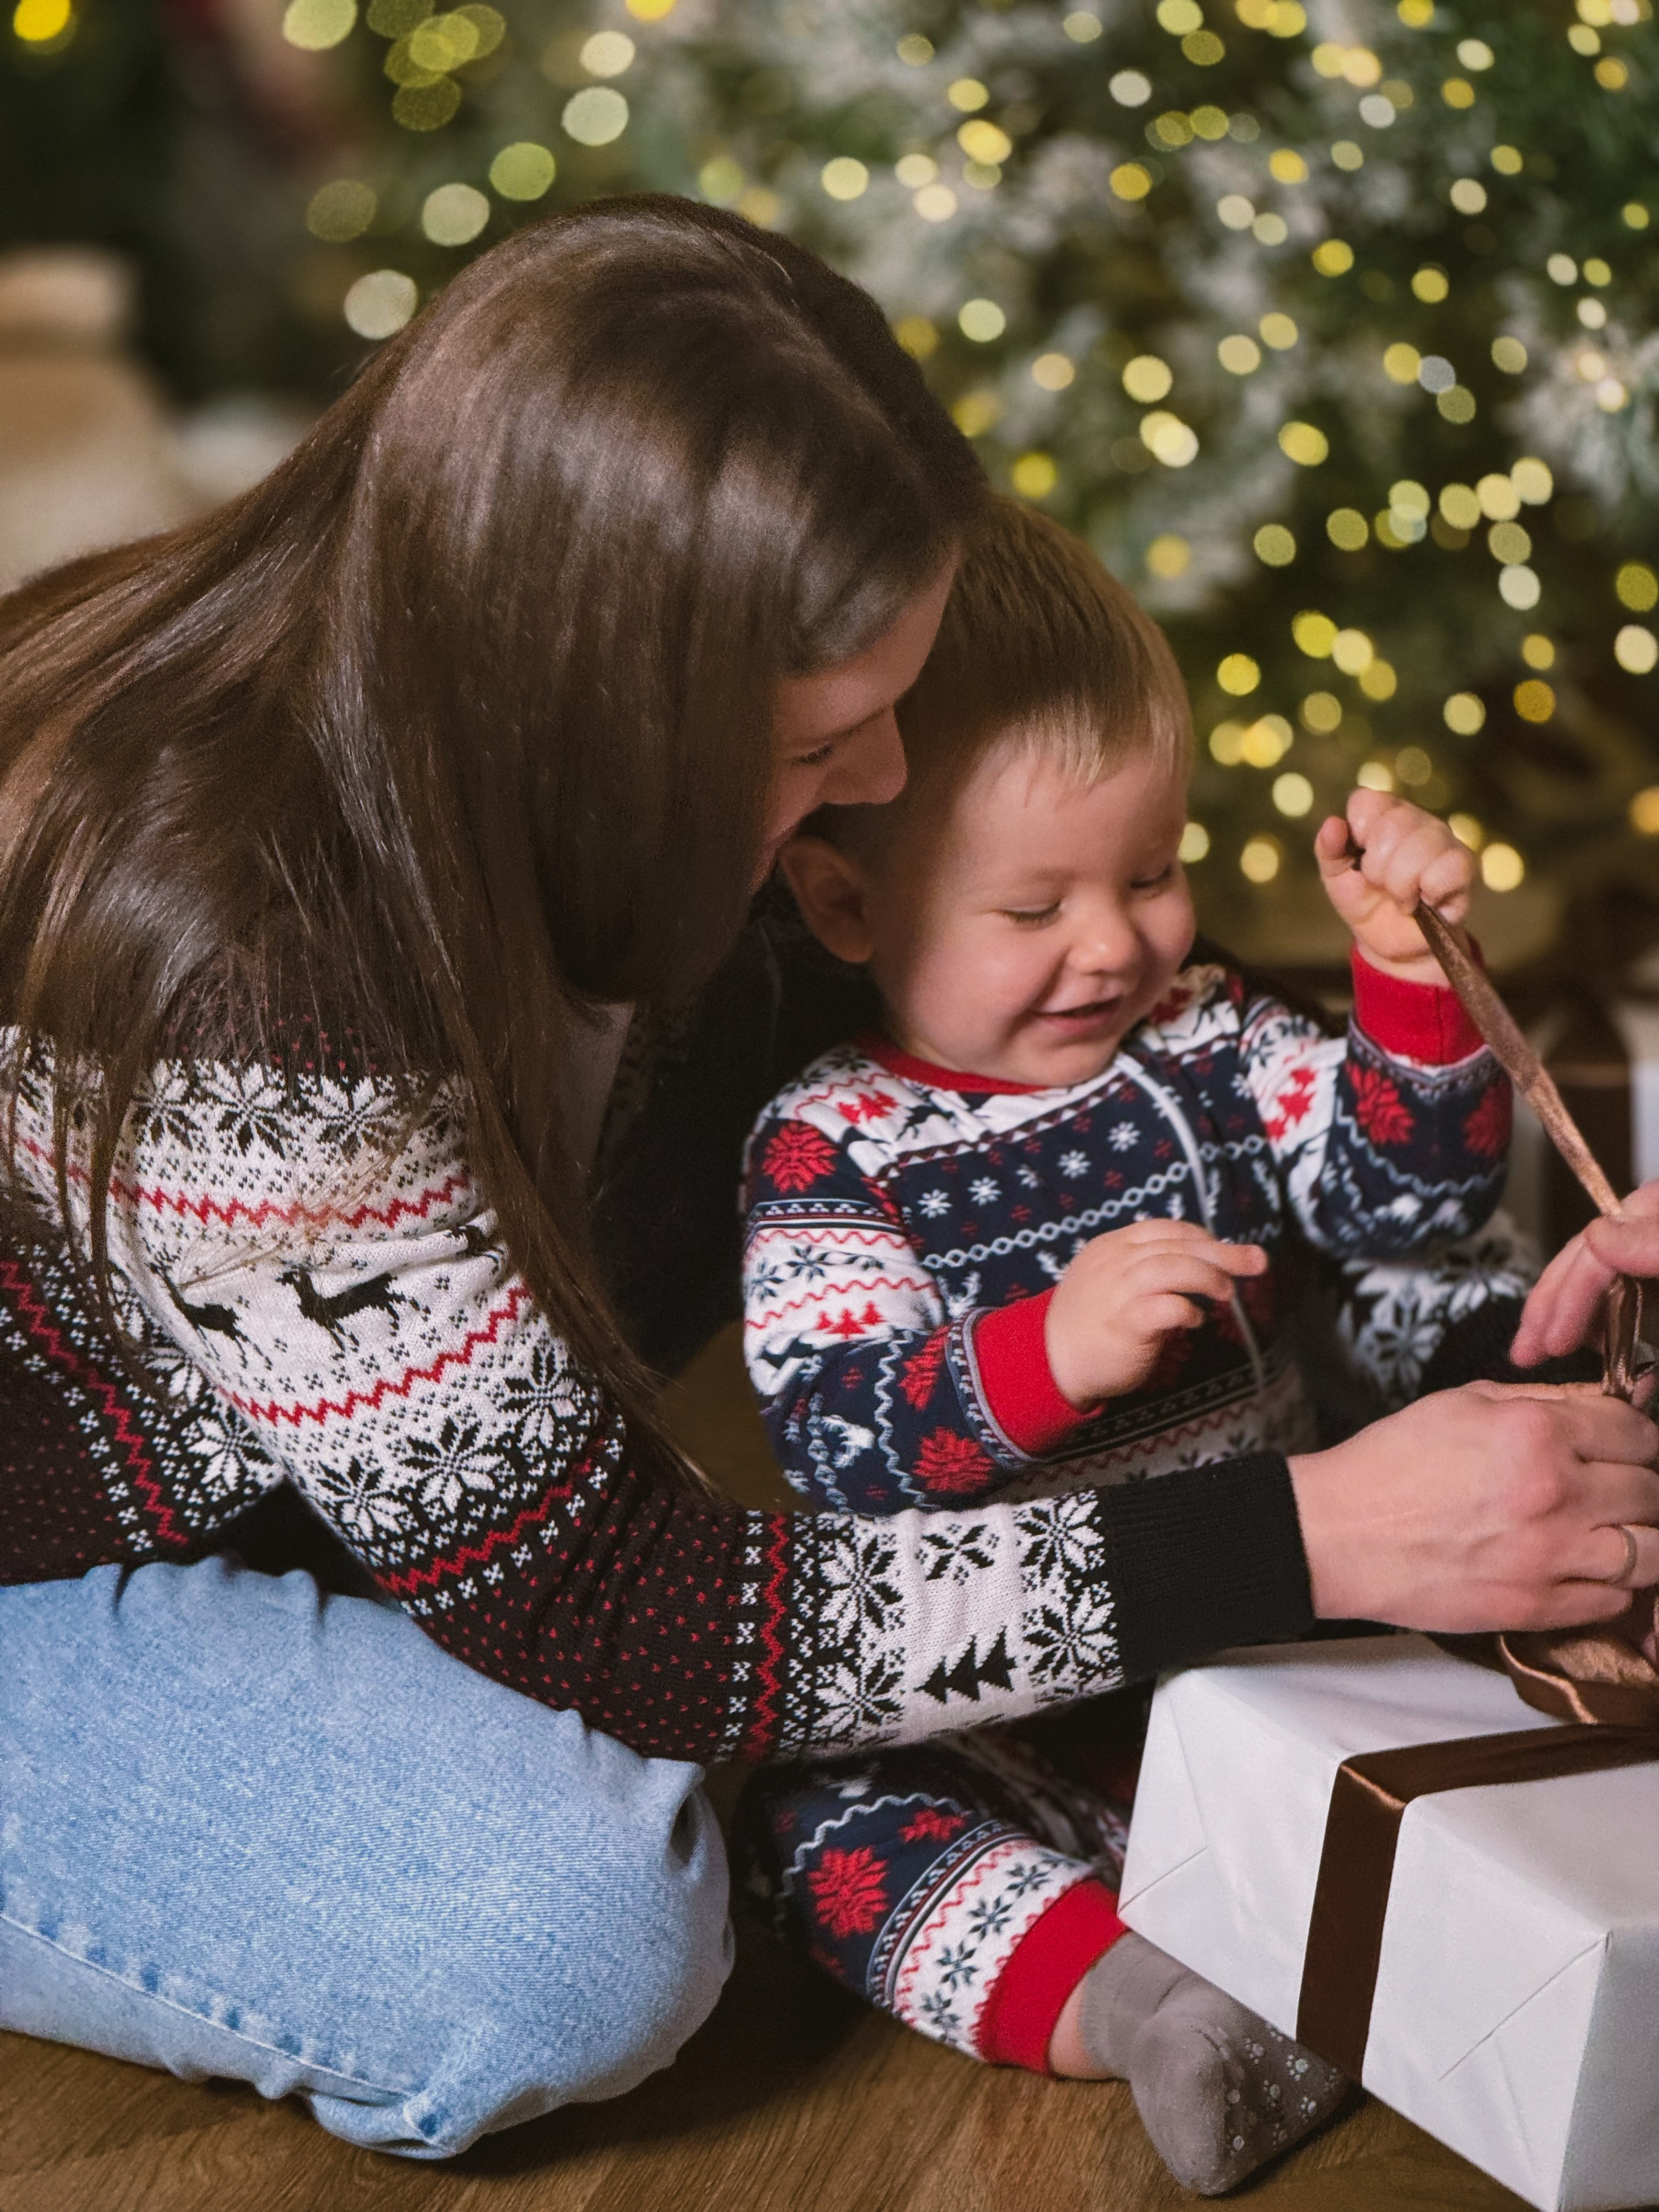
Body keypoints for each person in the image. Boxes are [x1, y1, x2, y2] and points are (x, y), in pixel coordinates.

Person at [0, 200, 1653, 2168]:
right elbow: (622, 1612)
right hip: (65, 1560)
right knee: (575, 1935)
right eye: (821, 736)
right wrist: (1311, 1540)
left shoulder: (694, 818)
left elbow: (1120, 1052)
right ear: (606, 699)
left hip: (336, 1505)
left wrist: (1539, 1148)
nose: (884, 780)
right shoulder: (241, 971)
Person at [733, 501, 1520, 2191]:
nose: (1116, 942)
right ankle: (1139, 2002)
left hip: (1274, 1633)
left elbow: (1404, 1193)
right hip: (996, 1696)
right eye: (1034, 908)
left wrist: (1409, 989)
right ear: (845, 899)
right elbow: (838, 1443)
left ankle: (1379, 1932)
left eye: (1151, 873)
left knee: (1438, 1723)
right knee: (827, 1838)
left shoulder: (1211, 1037)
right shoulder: (832, 1149)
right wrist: (1040, 1353)